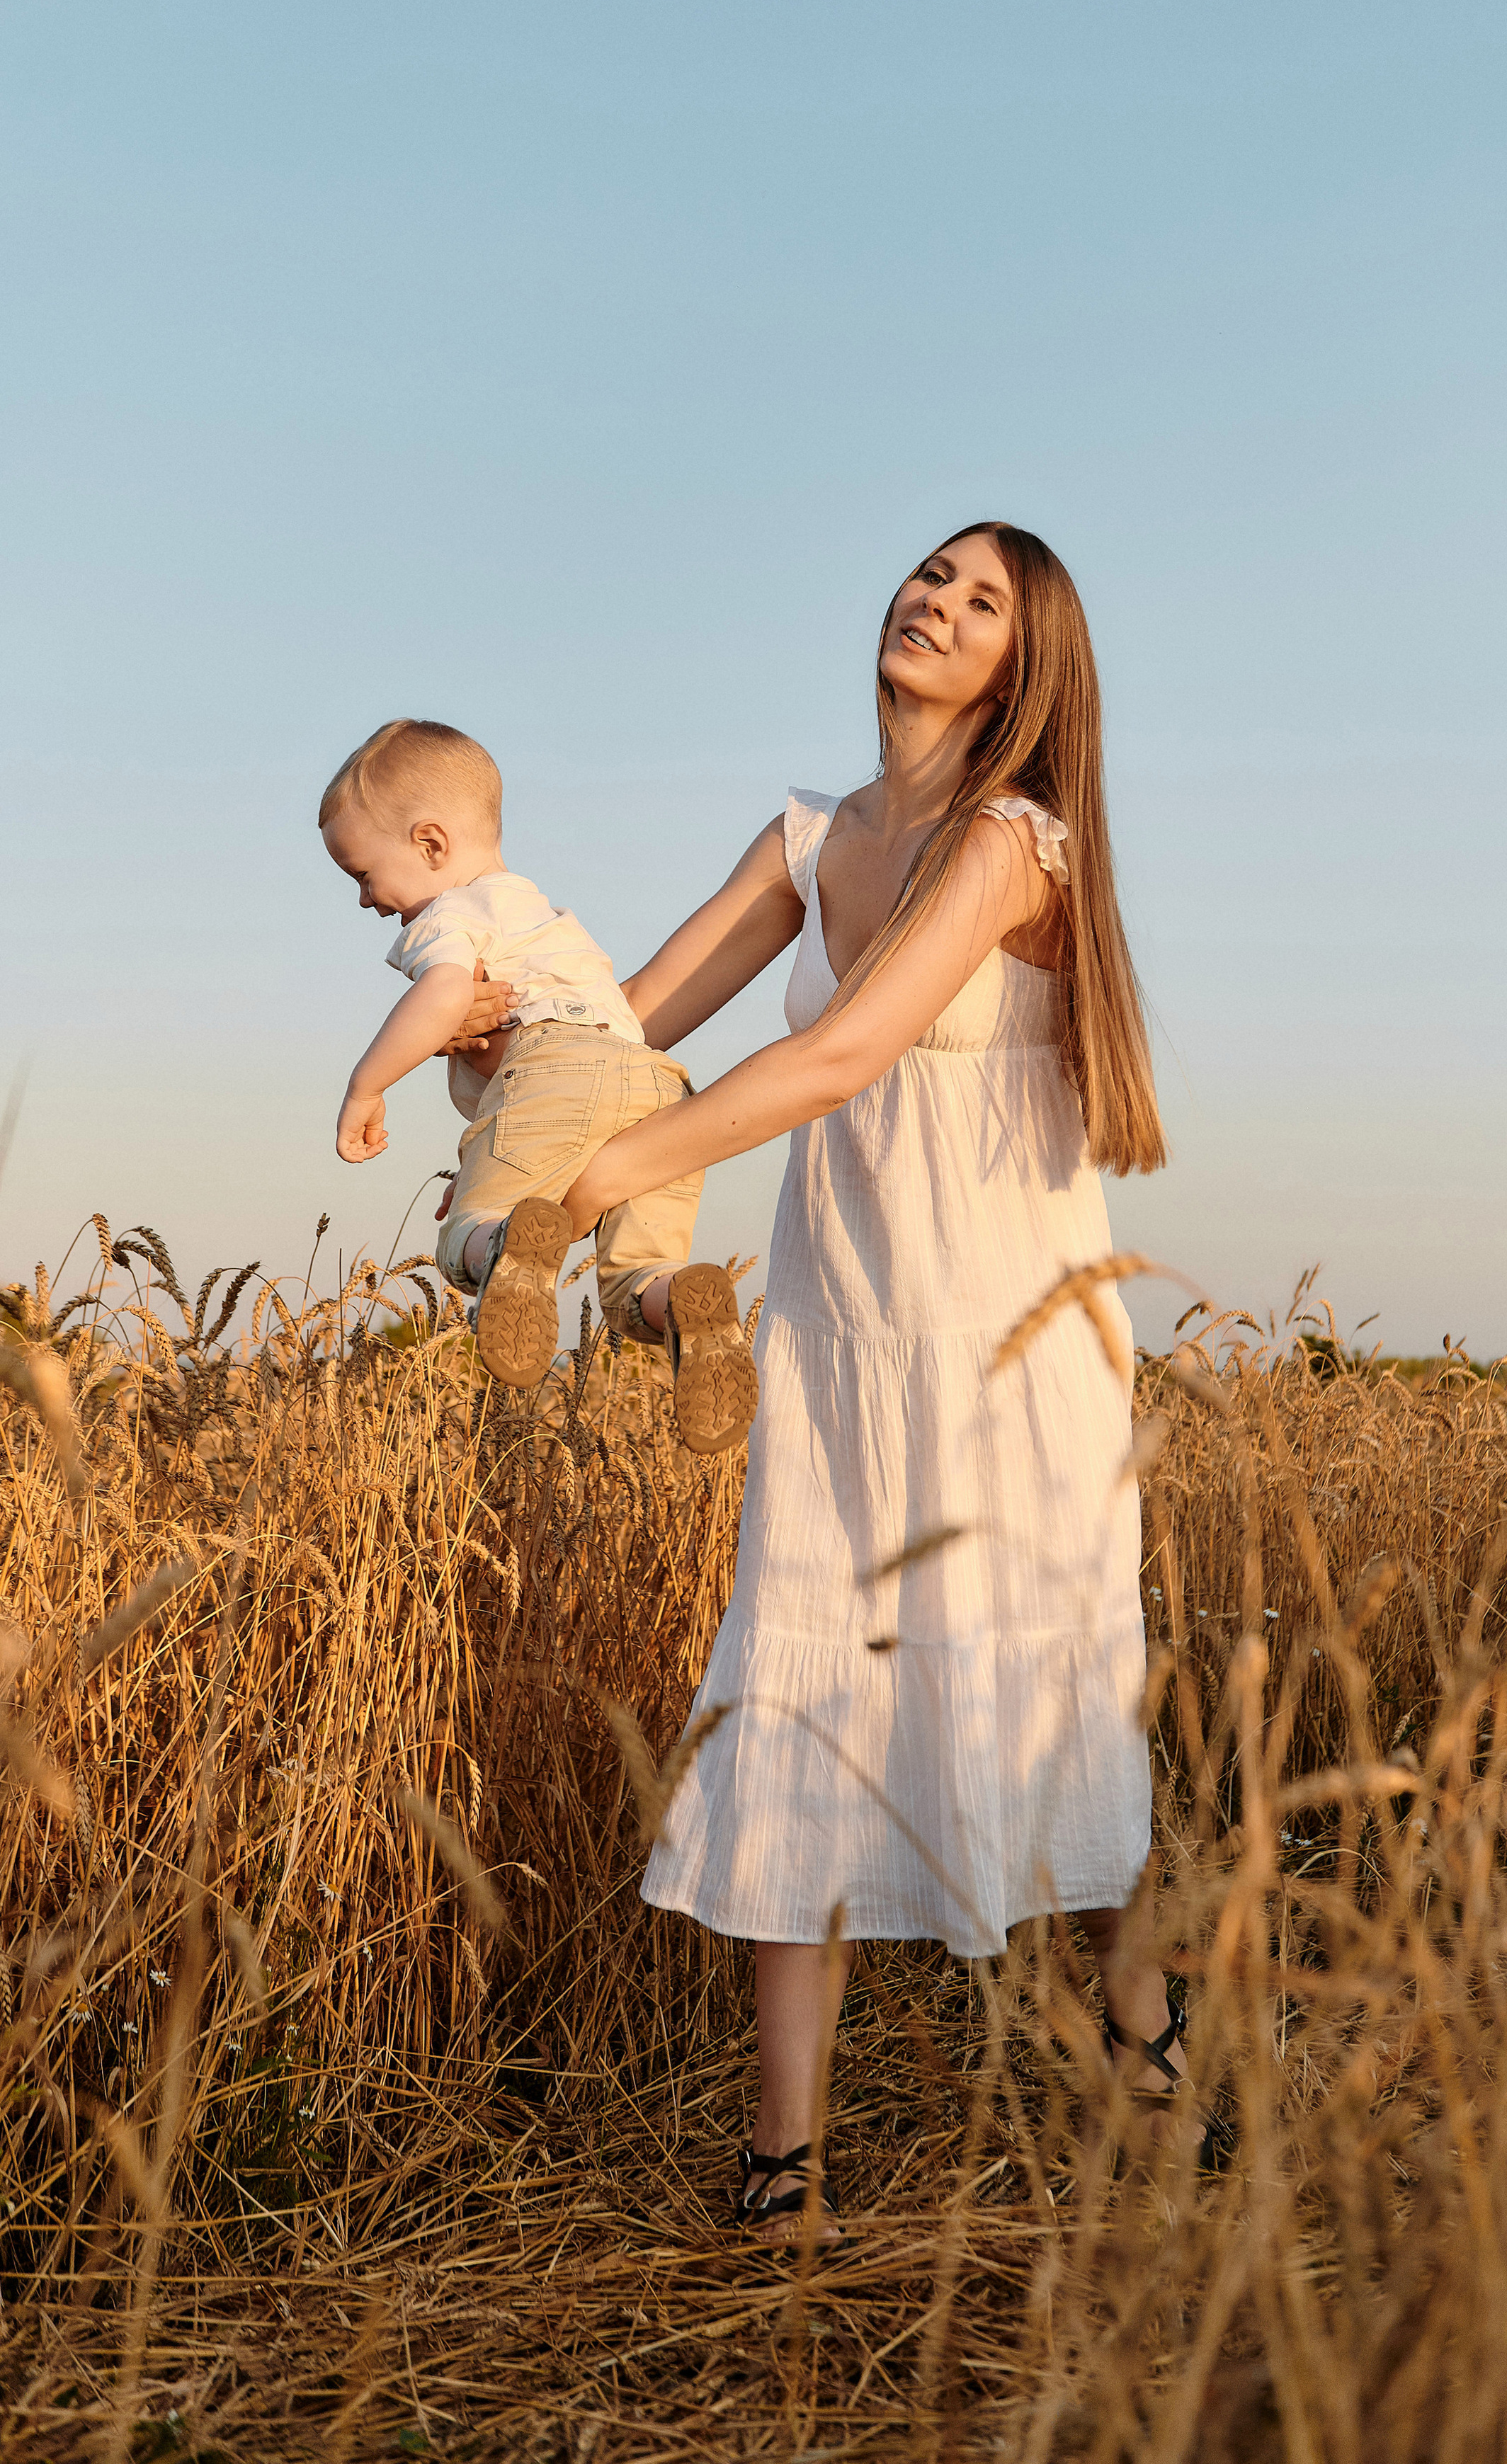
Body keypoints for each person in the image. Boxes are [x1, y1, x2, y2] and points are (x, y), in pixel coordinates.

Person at [452, 524, 1183, 2239]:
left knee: (1049, 1700)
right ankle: (780, 2167)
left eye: (980, 600)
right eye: (928, 574)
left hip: (1006, 1346)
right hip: (845, 1339)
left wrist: (599, 1177)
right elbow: (633, 1024)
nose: (933, 601)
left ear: (1022, 667)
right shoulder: (807, 835)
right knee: (801, 1700)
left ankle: (1145, 2057)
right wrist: (499, 1034)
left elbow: (842, 1050)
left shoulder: (1010, 842)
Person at [319, 717, 757, 1451]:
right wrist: (482, 1168)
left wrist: (367, 1086)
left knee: (464, 1240)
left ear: (430, 844)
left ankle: (498, 1244)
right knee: (636, 1276)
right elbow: (558, 1096)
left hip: (555, 1072)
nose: (366, 899)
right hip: (655, 1079)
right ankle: (685, 1301)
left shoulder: (448, 913)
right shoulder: (541, 914)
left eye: (363, 874)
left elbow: (446, 998)